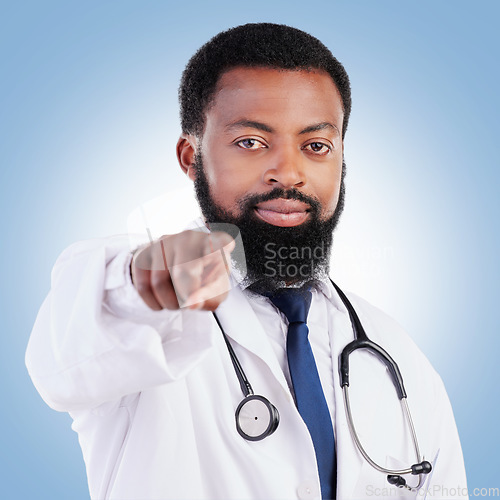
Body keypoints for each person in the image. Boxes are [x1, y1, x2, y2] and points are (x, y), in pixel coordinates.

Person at [26, 23, 468, 500]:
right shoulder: (144, 321)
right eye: (252, 142)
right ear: (191, 157)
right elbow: (73, 344)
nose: (290, 172)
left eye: (316, 145)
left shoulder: (398, 354)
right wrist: (143, 279)